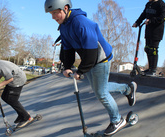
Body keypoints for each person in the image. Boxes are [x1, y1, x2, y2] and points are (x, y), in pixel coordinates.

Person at [44, 0, 137, 135]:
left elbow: (92, 52)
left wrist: (81, 72)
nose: (53, 17)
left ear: (65, 8)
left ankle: (117, 120)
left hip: (101, 58)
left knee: (101, 93)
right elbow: (67, 49)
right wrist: (67, 66)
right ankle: (128, 89)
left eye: (54, 13)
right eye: (51, 14)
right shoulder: (64, 27)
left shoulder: (81, 23)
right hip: (90, 58)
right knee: (99, 89)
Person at [0, 48, 33, 128]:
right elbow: (2, 73)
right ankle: (21, 115)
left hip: (18, 80)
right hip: (14, 79)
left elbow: (10, 78)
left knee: (12, 99)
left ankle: (26, 117)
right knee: (4, 97)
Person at [132, 0, 165, 76]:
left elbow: (164, 17)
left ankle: (153, 69)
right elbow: (143, 14)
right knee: (147, 49)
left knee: (153, 49)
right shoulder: (149, 4)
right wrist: (137, 22)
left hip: (157, 31)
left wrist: (151, 20)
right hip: (148, 31)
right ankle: (150, 68)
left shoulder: (161, 4)